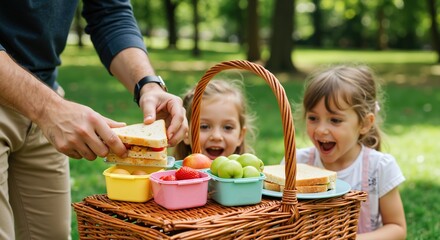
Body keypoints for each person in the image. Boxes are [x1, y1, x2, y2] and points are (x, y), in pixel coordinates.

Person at [0, 1, 187, 239]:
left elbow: (110, 12)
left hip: (44, 94)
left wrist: (147, 85)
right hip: (42, 104)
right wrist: (48, 109)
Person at [282, 65, 406, 239]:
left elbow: (397, 228)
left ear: (364, 123)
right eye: (313, 118)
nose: (321, 130)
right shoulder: (297, 163)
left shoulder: (379, 167)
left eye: (335, 120)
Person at [173, 79, 257, 160]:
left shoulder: (249, 173)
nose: (216, 136)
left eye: (227, 127)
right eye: (204, 126)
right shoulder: (175, 174)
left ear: (240, 136)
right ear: (186, 133)